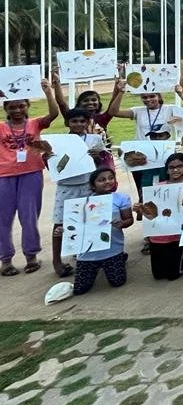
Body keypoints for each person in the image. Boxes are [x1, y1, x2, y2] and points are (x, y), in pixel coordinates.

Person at [0, 79, 58, 277]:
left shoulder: (35, 124)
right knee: (3, 219)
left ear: (28, 106)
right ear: (5, 108)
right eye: (12, 107)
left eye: (21, 106)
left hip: (31, 174)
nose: (17, 110)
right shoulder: (1, 127)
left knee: (29, 216)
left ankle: (31, 256)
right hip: (4, 176)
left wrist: (49, 91)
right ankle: (5, 259)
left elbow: (53, 114)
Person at [51, 107, 113, 277]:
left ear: (88, 122)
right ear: (67, 123)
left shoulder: (95, 139)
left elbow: (101, 162)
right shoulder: (58, 141)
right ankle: (57, 260)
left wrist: (96, 157)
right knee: (60, 222)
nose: (78, 124)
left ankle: (88, 255)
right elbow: (52, 165)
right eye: (74, 121)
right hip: (66, 186)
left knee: (90, 220)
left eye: (82, 121)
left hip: (87, 184)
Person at [67, 168, 134, 295]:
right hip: (87, 253)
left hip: (112, 250)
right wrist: (63, 231)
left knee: (117, 282)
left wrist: (122, 223)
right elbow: (74, 225)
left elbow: (129, 220)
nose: (107, 182)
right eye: (101, 180)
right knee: (80, 289)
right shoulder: (82, 203)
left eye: (111, 178)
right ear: (93, 185)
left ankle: (119, 258)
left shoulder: (121, 198)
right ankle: (98, 265)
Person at [138, 153, 183, 280]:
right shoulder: (157, 187)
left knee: (173, 275)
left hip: (176, 234)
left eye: (179, 166)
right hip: (157, 234)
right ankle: (179, 253)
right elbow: (149, 212)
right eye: (171, 167)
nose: (175, 170)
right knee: (158, 275)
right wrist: (140, 208)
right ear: (166, 169)